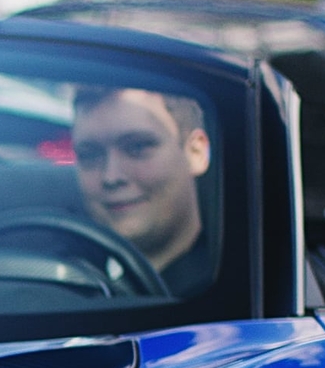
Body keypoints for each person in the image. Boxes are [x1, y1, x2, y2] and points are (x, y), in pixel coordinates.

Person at [67, 81, 217, 295]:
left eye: (137, 147)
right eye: (90, 155)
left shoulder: (236, 289)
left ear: (195, 152)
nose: (111, 176)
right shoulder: (59, 273)